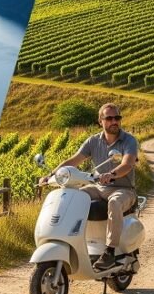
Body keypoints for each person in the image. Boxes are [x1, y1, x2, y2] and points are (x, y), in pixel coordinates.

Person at [40, 103, 138, 271]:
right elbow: (74, 160)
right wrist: (52, 175)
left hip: (124, 190)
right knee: (72, 197)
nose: (114, 121)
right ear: (100, 121)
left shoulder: (129, 140)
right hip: (98, 188)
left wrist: (112, 174)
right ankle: (70, 240)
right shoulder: (93, 141)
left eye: (117, 118)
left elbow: (127, 164)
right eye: (109, 118)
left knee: (114, 203)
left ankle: (109, 251)